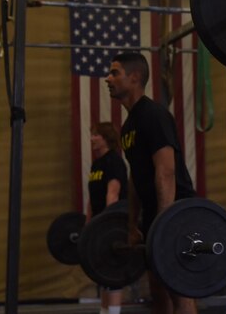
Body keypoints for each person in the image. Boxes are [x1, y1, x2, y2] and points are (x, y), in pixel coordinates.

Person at [105, 52, 198, 314]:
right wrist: (133, 224)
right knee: (157, 287)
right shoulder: (128, 126)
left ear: (134, 78)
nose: (107, 79)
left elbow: (165, 171)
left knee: (178, 287)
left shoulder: (154, 115)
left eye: (115, 73)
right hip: (155, 215)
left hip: (176, 212)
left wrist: (165, 222)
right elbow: (136, 175)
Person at [86, 121, 129, 314]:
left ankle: (113, 312)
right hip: (98, 224)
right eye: (92, 134)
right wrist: (87, 224)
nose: (92, 138)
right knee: (102, 273)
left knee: (112, 272)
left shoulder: (114, 161)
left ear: (107, 139)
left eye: (96, 135)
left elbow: (113, 194)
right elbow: (92, 197)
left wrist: (106, 226)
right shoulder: (96, 164)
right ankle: (104, 312)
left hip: (111, 225)